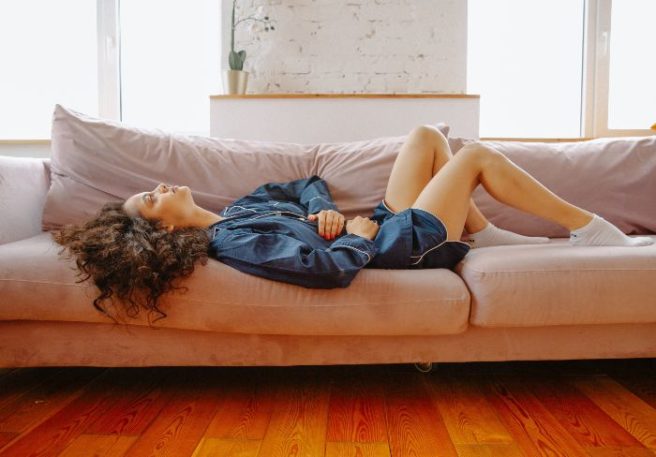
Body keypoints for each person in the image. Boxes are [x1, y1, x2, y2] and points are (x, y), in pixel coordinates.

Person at [52, 125, 653, 324]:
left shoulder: (239, 209)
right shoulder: (230, 241)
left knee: (426, 138)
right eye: (151, 199)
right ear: (163, 231)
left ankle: (485, 236)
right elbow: (318, 271)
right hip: (397, 246)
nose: (160, 188)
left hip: (386, 224)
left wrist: (324, 208)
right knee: (474, 157)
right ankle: (593, 229)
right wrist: (358, 243)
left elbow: (302, 182)